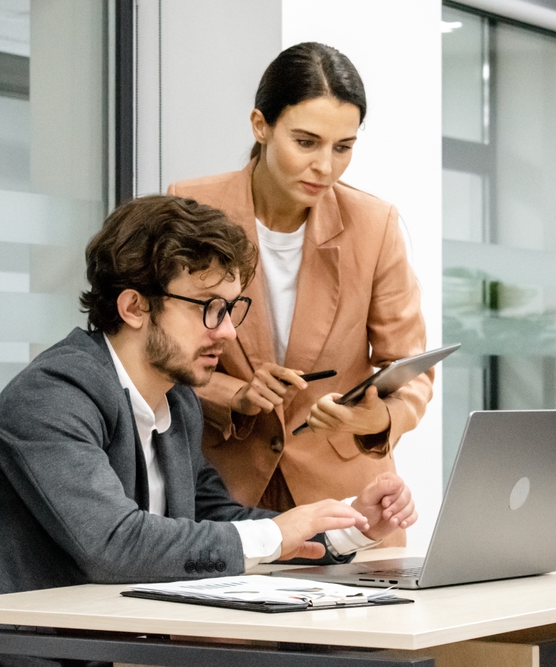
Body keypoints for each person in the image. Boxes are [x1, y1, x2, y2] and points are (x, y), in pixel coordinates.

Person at [0, 195, 416, 621]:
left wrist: (348, 527)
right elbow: (112, 546)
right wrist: (274, 534)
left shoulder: (177, 401)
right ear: (135, 307)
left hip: (115, 639)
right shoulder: (53, 396)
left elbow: (213, 519)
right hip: (18, 649)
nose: (226, 332)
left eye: (230, 309)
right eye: (208, 307)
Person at [168, 42, 432, 544]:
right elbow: (156, 355)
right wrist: (234, 395)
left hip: (346, 502)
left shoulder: (375, 226)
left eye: (343, 147)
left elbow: (412, 369)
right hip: (223, 489)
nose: (325, 167)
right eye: (306, 142)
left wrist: (380, 418)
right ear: (260, 125)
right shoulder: (190, 208)